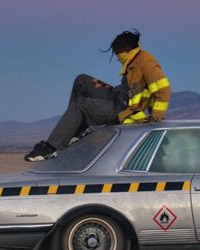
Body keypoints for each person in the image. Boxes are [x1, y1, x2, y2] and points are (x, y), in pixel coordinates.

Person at [24, 29, 171, 161]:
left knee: (81, 105)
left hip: (124, 110)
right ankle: (78, 130)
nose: (116, 56)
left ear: (125, 49)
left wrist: (156, 115)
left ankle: (51, 148)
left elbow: (163, 89)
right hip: (118, 97)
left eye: (117, 52)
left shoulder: (147, 63)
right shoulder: (133, 60)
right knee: (81, 80)